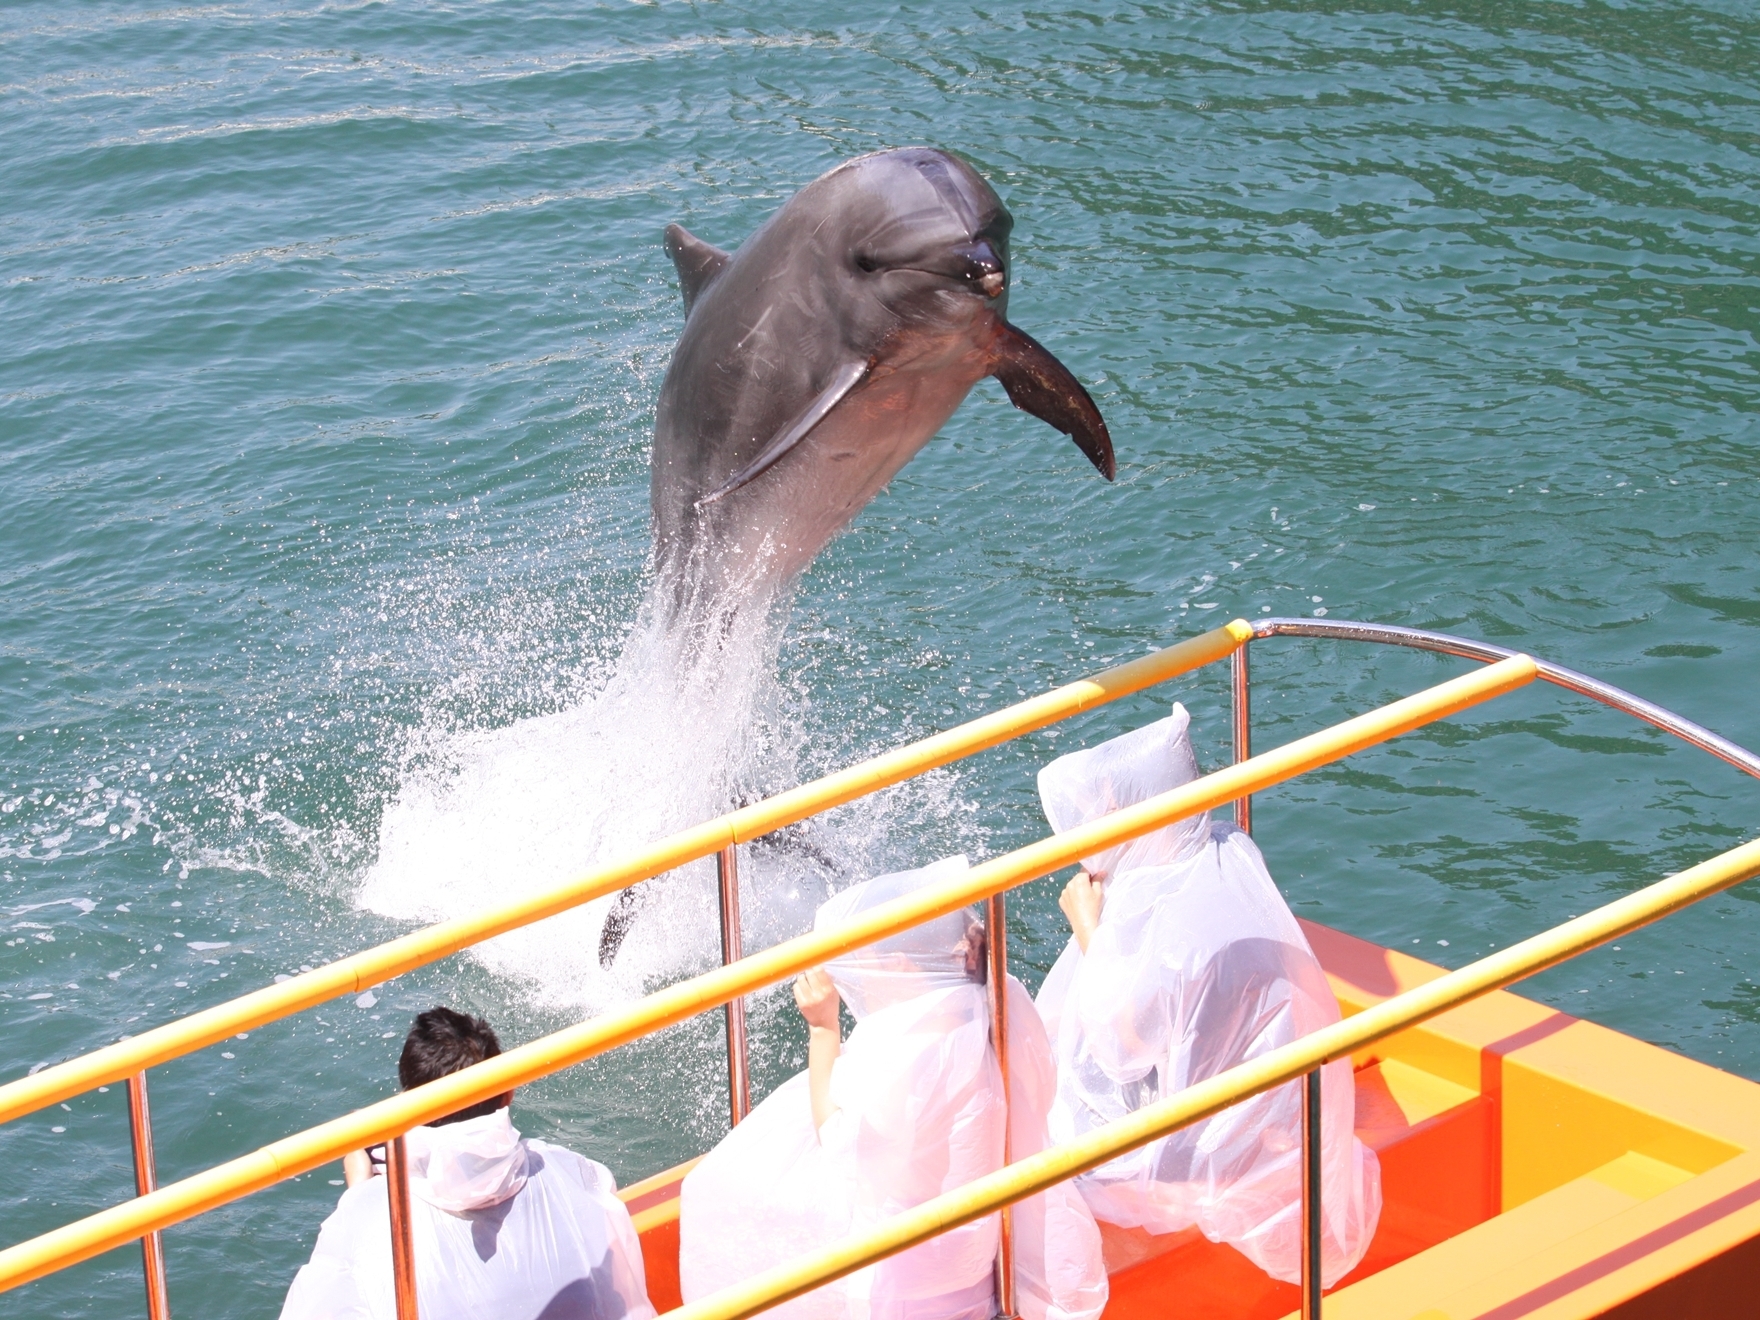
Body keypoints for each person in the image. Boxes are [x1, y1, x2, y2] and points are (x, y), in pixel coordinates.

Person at [1035, 703, 1381, 1288]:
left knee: (1050, 1123)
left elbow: (1123, 1047)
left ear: (1121, 812)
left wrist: (1089, 929)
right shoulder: (1228, 849)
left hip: (1210, 1149)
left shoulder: (1162, 918)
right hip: (1282, 1110)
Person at [679, 856, 1107, 1320]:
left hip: (904, 1293)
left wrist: (823, 1030)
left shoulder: (907, 1052)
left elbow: (839, 1144)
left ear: (899, 966)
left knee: (716, 1193)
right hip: (978, 1267)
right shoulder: (997, 1000)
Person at [280, 1007, 656, 1320]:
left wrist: (359, 1194)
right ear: (508, 1093)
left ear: (409, 1111)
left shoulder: (377, 1216)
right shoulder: (573, 1172)